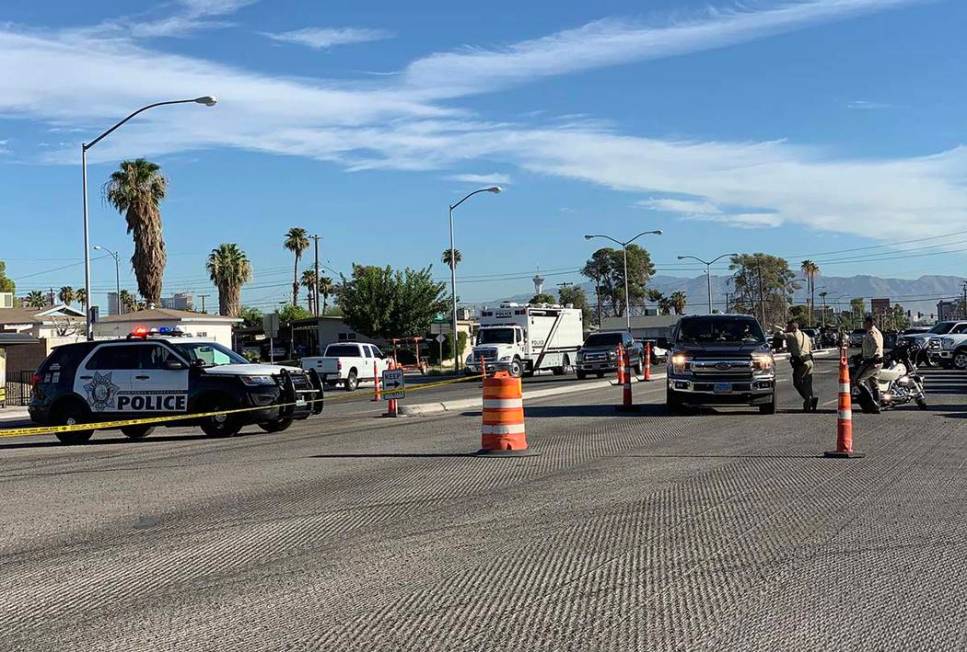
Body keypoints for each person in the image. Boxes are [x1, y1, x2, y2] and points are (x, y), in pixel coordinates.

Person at [784, 320, 818, 412]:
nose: (787, 328)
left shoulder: (792, 335)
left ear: (793, 328)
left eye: (788, 327)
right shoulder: (805, 335)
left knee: (797, 382)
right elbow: (811, 348)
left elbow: (778, 334)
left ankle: (809, 399)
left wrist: (784, 331)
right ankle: (810, 403)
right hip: (809, 361)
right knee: (808, 384)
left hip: (801, 362)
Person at [854, 315, 885, 411]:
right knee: (874, 384)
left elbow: (876, 346)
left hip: (872, 362)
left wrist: (872, 357)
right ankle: (877, 404)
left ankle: (871, 402)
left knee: (858, 380)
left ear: (870, 323)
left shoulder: (872, 332)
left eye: (865, 322)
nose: (863, 324)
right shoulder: (877, 332)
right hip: (877, 361)